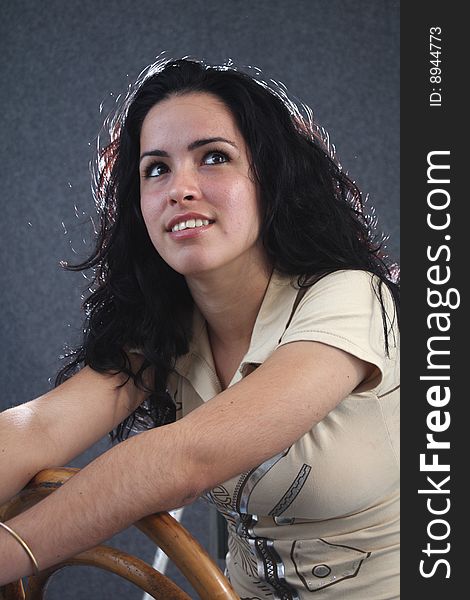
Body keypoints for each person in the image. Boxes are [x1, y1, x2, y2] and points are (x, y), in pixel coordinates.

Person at [0, 57, 400, 598]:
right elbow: (39, 429)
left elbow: (189, 458)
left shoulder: (353, 296)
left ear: (268, 176)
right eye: (156, 169)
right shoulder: (165, 326)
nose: (180, 188)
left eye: (214, 157)